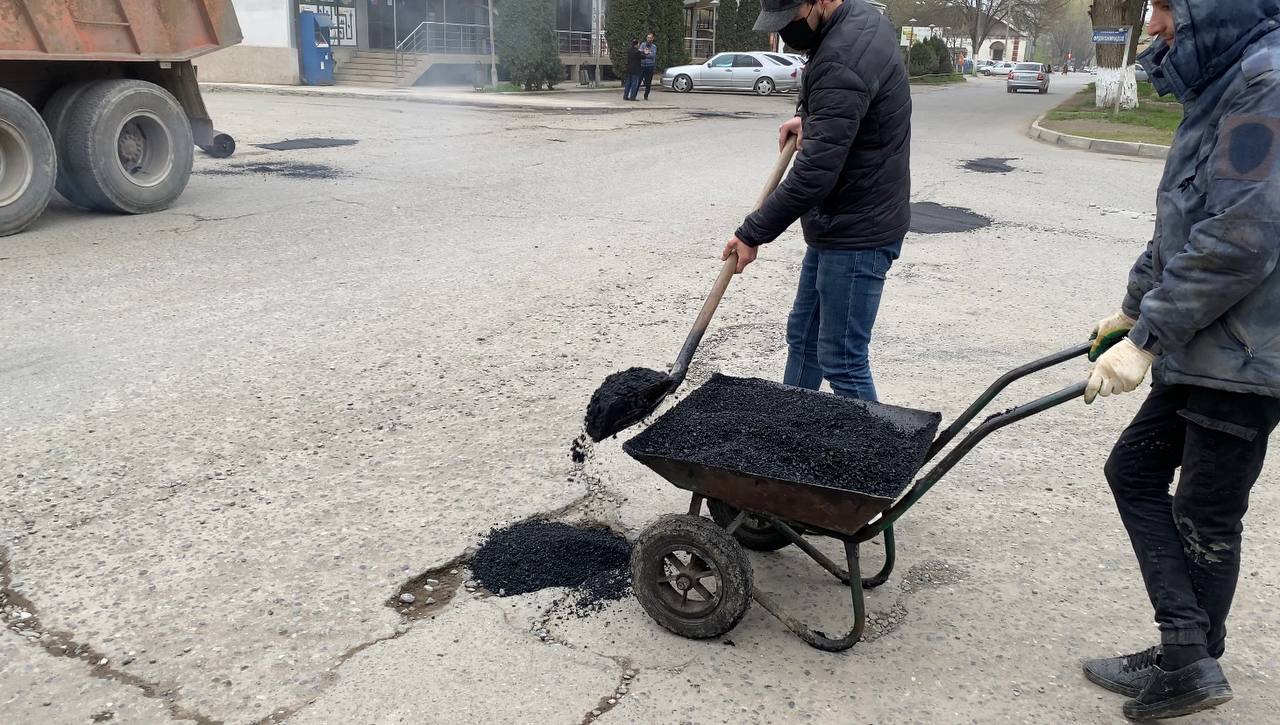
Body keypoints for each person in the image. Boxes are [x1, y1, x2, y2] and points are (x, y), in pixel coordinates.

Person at [1080, 0, 1280, 720]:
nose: (1153, 25)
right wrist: (1134, 310)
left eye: (1165, 6)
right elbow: (1184, 219)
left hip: (1247, 353)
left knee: (1205, 512)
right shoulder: (1228, 82)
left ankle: (1189, 659)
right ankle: (1187, 653)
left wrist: (1150, 335)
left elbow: (1241, 238)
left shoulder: (1267, 82)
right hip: (1212, 346)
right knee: (1135, 470)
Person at [720, 0, 910, 402]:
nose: (787, 30)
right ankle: (788, 435)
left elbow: (813, 175)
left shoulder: (842, 54)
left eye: (791, 18)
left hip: (859, 231)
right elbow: (855, 102)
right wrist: (814, 121)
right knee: (803, 339)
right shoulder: (859, 23)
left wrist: (751, 234)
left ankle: (871, 460)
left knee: (842, 359)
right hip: (841, 220)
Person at [639, 32, 658, 100]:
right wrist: (646, 53)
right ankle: (633, 95)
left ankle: (646, 95)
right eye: (648, 38)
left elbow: (653, 56)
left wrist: (645, 53)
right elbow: (640, 53)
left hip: (650, 66)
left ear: (652, 39)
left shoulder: (654, 46)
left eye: (650, 38)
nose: (649, 39)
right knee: (639, 80)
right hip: (642, 65)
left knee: (648, 82)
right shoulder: (643, 44)